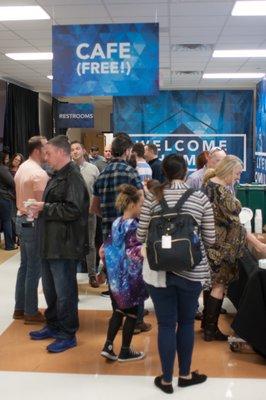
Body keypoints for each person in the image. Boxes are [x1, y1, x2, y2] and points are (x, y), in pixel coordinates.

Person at [137, 154, 215, 393]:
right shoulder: (200, 197)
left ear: (165, 173)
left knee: (166, 324)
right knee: (187, 323)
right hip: (191, 271)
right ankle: (185, 374)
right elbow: (210, 239)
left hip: (159, 272)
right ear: (185, 172)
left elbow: (141, 236)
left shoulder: (152, 196)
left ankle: (166, 380)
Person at [28, 135, 89, 353]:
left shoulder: (73, 177)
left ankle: (67, 333)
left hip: (64, 246)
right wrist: (41, 208)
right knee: (51, 290)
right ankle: (53, 325)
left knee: (65, 292)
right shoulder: (57, 175)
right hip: (50, 243)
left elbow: (74, 209)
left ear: (61, 153)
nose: (46, 157)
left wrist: (45, 207)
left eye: (49, 153)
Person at [202, 155, 266, 342]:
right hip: (224, 247)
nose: (238, 177)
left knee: (212, 284)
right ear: (229, 170)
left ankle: (207, 325)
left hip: (212, 242)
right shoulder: (222, 192)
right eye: (237, 173)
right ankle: (211, 330)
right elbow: (236, 223)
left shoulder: (208, 185)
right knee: (219, 286)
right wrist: (257, 244)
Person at [91, 134, 151, 332]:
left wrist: (111, 217)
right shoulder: (131, 173)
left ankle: (118, 317)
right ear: (127, 152)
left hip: (110, 234)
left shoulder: (102, 174)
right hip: (131, 234)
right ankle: (137, 321)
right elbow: (142, 204)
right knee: (135, 276)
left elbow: (94, 208)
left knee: (115, 279)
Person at [101, 184, 147, 362]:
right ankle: (125, 350)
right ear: (132, 205)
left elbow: (109, 246)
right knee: (132, 314)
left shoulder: (116, 222)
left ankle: (109, 345)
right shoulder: (134, 226)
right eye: (142, 205)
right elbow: (134, 252)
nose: (143, 208)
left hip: (115, 278)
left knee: (118, 311)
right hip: (129, 278)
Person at [13, 136, 49, 324]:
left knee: (25, 266)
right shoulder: (39, 174)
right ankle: (30, 311)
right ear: (37, 150)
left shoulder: (22, 168)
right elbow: (42, 204)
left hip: (21, 218)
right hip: (33, 222)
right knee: (34, 267)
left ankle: (20, 308)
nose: (48, 150)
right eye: (45, 147)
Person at [71, 140, 100, 288]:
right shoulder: (67, 170)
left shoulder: (93, 169)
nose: (75, 151)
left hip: (89, 214)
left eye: (77, 148)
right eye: (72, 149)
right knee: (73, 245)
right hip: (72, 216)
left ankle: (92, 275)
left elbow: (98, 192)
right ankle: (72, 277)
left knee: (90, 245)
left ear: (83, 150)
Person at [0, 151, 16, 250]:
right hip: (4, 197)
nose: (8, 159)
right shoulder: (3, 168)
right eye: (7, 157)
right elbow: (12, 183)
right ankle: (10, 245)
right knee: (7, 221)